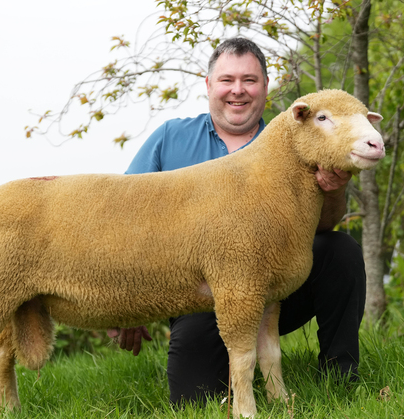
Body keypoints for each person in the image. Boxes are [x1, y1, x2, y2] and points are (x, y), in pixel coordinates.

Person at [107, 37, 366, 406]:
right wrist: (125, 299)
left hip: (275, 287)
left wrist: (334, 187)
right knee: (193, 400)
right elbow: (125, 219)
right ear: (209, 85)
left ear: (265, 86)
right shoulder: (170, 138)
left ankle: (340, 381)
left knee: (340, 249)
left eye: (250, 80)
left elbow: (321, 226)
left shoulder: (295, 139)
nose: (238, 90)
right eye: (227, 79)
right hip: (197, 296)